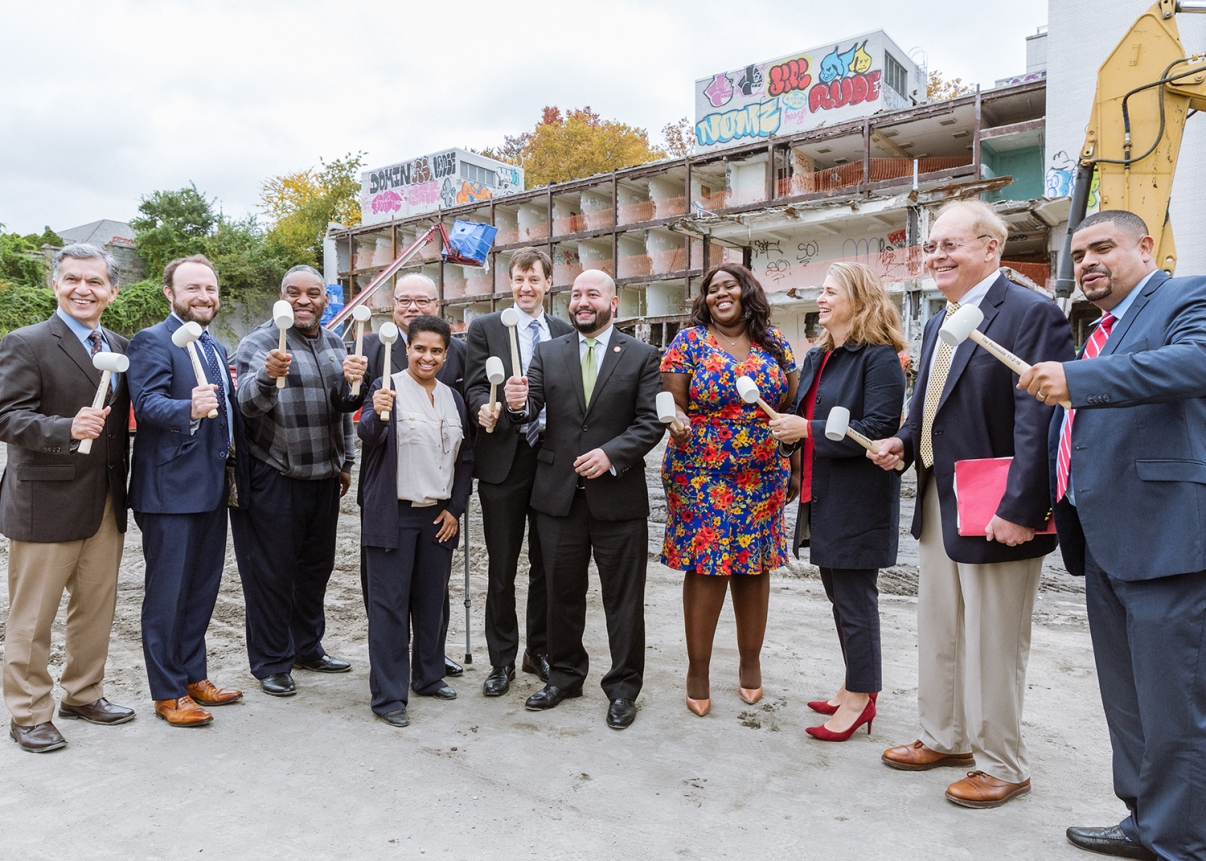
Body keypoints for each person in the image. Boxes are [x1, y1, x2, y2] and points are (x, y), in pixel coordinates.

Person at [868, 199, 1073, 807]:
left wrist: (1023, 507)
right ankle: (945, 736)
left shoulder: (1032, 314)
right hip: (939, 494)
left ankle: (1003, 764)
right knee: (940, 628)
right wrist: (901, 442)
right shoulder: (941, 319)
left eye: (950, 245)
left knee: (993, 640)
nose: (936, 256)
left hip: (997, 504)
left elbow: (1042, 421)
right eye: (931, 247)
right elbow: (926, 406)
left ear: (991, 248)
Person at [1018, 211, 1206, 861]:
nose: (1090, 260)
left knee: (1174, 706)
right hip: (1102, 537)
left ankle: (1183, 841)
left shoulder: (1188, 296)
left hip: (1167, 537)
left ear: (1146, 247)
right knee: (1127, 703)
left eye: (1105, 246)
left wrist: (1078, 380)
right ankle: (1144, 820)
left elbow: (1195, 363)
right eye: (1081, 253)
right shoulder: (1095, 331)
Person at [492, 269, 664, 729]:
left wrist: (611, 455)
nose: (582, 301)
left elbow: (650, 422)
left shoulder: (644, 356)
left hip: (618, 498)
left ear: (613, 303)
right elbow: (529, 410)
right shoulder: (549, 352)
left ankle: (624, 688)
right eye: (576, 295)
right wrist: (514, 402)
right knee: (561, 594)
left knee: (623, 601)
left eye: (593, 294)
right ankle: (565, 676)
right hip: (558, 497)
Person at [0, 244, 135, 752]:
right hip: (46, 499)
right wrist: (63, 426)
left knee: (96, 606)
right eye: (73, 279)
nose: (84, 289)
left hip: (104, 498)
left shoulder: (119, 345)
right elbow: (6, 415)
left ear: (111, 291)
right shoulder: (27, 342)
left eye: (95, 281)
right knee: (33, 615)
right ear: (55, 285)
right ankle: (30, 712)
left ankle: (83, 693)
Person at [769, 262, 906, 740]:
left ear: (859, 299)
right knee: (839, 598)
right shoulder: (818, 357)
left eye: (830, 292)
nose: (820, 299)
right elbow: (803, 420)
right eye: (820, 291)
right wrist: (788, 435)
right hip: (820, 493)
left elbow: (878, 433)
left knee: (854, 601)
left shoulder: (880, 357)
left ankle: (862, 699)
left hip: (858, 499)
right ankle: (853, 686)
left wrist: (804, 431)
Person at [658, 264, 798, 717]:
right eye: (711, 289)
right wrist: (676, 424)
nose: (720, 293)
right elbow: (675, 402)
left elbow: (789, 406)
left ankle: (750, 662)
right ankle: (698, 670)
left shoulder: (774, 343)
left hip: (762, 472)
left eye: (728, 285)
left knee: (754, 565)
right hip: (701, 470)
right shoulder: (690, 342)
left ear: (746, 292)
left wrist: (793, 464)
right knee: (706, 566)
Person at [231, 264, 368, 697]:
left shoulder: (333, 342)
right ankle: (272, 660)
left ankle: (307, 647)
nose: (303, 301)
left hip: (323, 476)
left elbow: (341, 407)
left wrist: (346, 461)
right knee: (272, 573)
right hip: (275, 474)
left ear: (326, 300)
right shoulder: (257, 343)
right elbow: (247, 405)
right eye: (294, 293)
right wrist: (269, 375)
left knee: (315, 569)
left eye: (313, 294)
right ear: (281, 296)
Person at [125, 255, 245, 727]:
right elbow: (147, 402)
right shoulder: (152, 341)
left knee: (201, 590)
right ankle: (168, 691)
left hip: (212, 487)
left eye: (210, 288)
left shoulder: (215, 347)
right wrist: (187, 408)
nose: (203, 296)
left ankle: (194, 675)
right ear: (169, 294)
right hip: (169, 490)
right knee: (167, 594)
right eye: (192, 288)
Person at [467, 248, 573, 697]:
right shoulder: (486, 328)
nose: (525, 287)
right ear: (510, 283)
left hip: (550, 458)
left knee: (547, 564)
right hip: (503, 460)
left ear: (549, 283)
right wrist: (482, 408)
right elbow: (473, 384)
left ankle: (539, 649)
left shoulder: (565, 332)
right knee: (502, 565)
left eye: (534, 279)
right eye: (518, 279)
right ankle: (501, 659)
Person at [359, 315, 473, 727]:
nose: (428, 357)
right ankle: (389, 696)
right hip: (394, 515)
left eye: (436, 350)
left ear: (446, 354)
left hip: (437, 517)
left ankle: (429, 676)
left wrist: (454, 509)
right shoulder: (385, 388)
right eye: (420, 348)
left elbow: (465, 460)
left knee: (432, 603)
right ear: (406, 349)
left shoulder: (453, 398)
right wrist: (376, 413)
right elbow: (368, 438)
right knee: (388, 607)